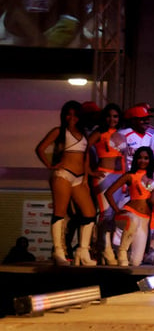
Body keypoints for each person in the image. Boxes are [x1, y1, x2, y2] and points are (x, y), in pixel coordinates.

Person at [35, 100, 98, 265]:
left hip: (79, 178)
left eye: (75, 114)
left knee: (90, 213)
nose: (72, 117)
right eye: (68, 114)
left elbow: (85, 157)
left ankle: (82, 251)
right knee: (60, 212)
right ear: (64, 116)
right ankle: (58, 251)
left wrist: (86, 177)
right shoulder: (59, 131)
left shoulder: (84, 133)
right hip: (62, 174)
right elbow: (40, 148)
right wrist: (50, 165)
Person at [105, 146, 154, 267]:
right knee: (133, 220)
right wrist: (117, 210)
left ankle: (123, 254)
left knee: (135, 262)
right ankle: (122, 251)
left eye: (146, 158)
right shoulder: (130, 175)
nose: (143, 161)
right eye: (139, 158)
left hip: (145, 218)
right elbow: (108, 193)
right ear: (135, 159)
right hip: (130, 213)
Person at [88, 102, 128, 265]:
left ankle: (107, 248)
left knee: (113, 215)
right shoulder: (99, 133)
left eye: (116, 116)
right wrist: (90, 171)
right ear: (105, 117)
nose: (113, 119)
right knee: (105, 214)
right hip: (104, 175)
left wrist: (125, 180)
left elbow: (124, 159)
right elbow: (84, 149)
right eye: (110, 116)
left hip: (119, 177)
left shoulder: (121, 135)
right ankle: (103, 249)